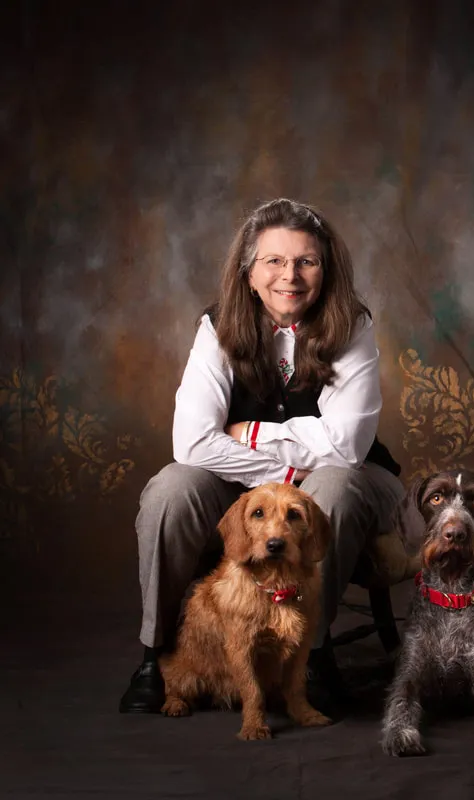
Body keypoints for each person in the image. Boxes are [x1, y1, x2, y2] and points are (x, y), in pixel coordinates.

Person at [118, 198, 404, 715]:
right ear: (249, 273)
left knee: (330, 489)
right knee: (171, 489)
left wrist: (249, 433)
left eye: (306, 261)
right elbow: (193, 442)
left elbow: (346, 447)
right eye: (273, 261)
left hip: (358, 478)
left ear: (325, 270)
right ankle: (153, 654)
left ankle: (312, 659)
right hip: (245, 482)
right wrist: (292, 466)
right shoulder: (218, 326)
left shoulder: (351, 326)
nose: (289, 276)